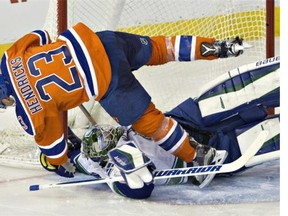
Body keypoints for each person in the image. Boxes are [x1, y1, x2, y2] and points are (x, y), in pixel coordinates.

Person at [0, 22, 247, 183]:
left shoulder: (30, 110)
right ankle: (217, 47)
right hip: (100, 42)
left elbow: (55, 151)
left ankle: (198, 156)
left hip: (107, 80)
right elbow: (41, 35)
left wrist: (60, 165)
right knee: (160, 48)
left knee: (152, 124)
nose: (7, 104)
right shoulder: (9, 56)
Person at [59, 56, 279, 199]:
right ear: (106, 155)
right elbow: (139, 189)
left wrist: (62, 148)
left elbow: (71, 158)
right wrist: (128, 165)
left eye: (105, 131)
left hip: (184, 121)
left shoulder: (86, 158)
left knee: (248, 87)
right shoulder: (111, 171)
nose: (109, 132)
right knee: (273, 131)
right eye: (106, 138)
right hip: (206, 156)